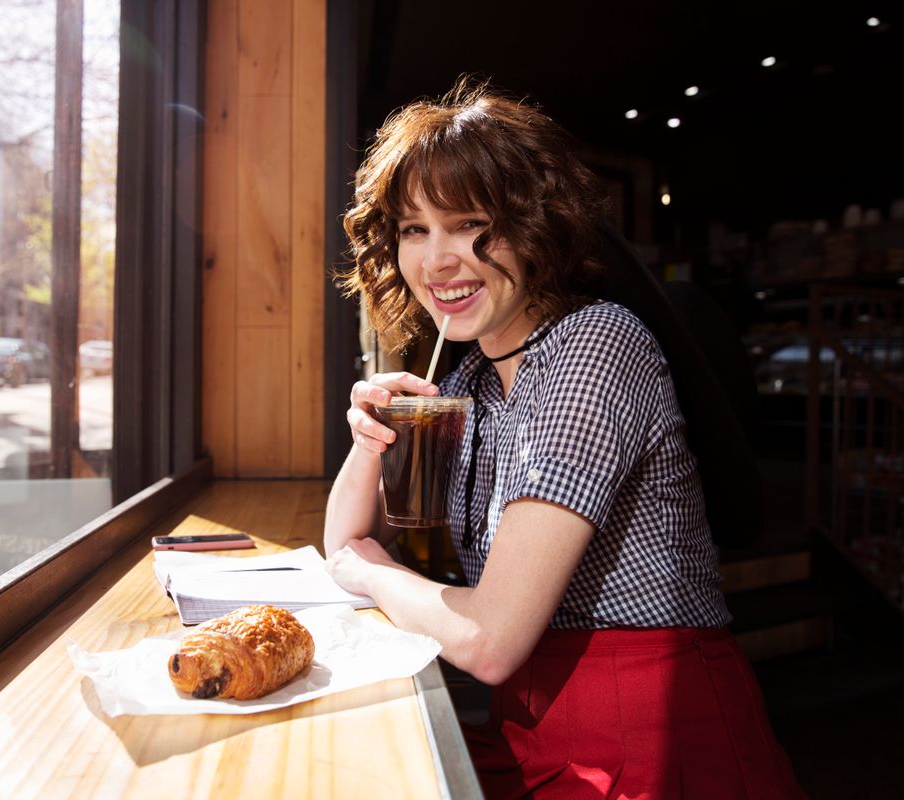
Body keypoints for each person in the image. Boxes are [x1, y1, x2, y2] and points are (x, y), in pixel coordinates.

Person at [323, 79, 805, 799]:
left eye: (467, 223)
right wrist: (367, 441)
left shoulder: (593, 347)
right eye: (414, 229)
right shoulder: (476, 383)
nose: (436, 260)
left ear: (533, 228)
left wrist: (368, 574)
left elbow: (488, 638)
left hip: (652, 727)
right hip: (532, 721)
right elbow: (343, 539)